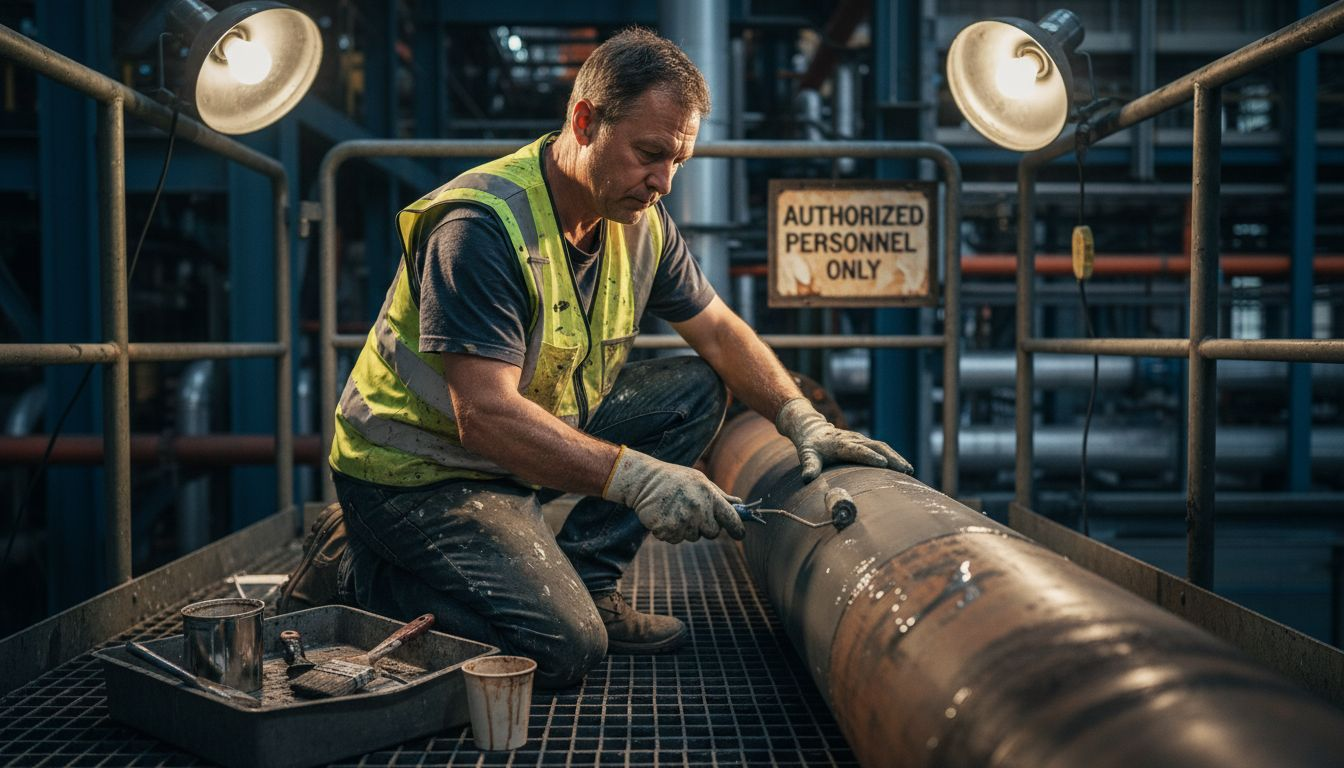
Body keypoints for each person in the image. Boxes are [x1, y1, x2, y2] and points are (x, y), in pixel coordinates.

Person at [317, 27, 912, 689]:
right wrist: (638, 479)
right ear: (585, 120)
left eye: (679, 160)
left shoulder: (638, 222)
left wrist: (800, 419)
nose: (663, 182)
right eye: (650, 153)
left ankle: (590, 583)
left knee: (696, 388)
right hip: (417, 477)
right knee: (563, 650)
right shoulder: (480, 228)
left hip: (513, 452)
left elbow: (717, 331)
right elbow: (483, 415)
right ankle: (359, 573)